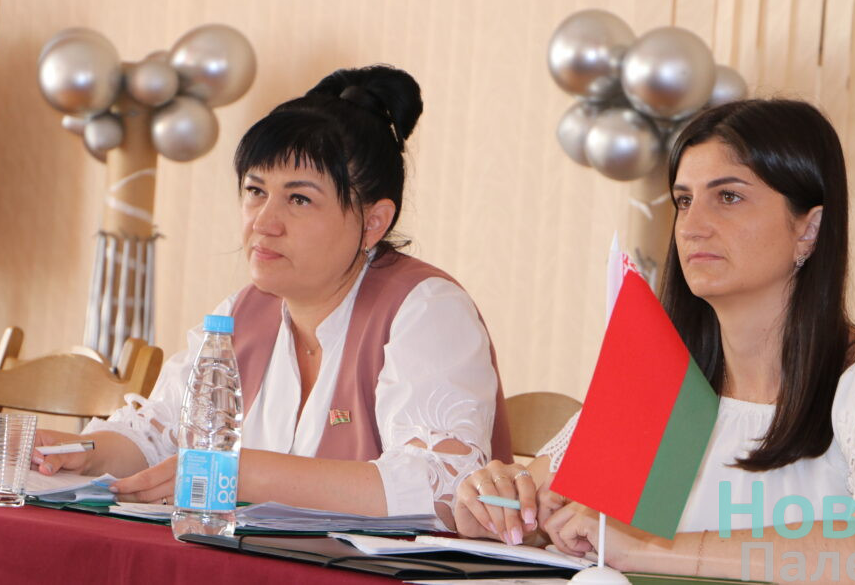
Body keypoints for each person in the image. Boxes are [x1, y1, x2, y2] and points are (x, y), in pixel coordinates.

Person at [454, 99, 855, 583]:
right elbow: (544, 511)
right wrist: (495, 509)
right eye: (684, 201)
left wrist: (647, 549)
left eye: (728, 197)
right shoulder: (658, 378)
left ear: (808, 229)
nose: (692, 227)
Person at [34, 65, 512, 528]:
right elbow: (160, 438)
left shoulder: (427, 308)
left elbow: (440, 490)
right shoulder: (241, 312)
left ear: (373, 222)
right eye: (255, 191)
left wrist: (242, 473)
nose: (264, 222)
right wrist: (80, 452)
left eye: (299, 199)